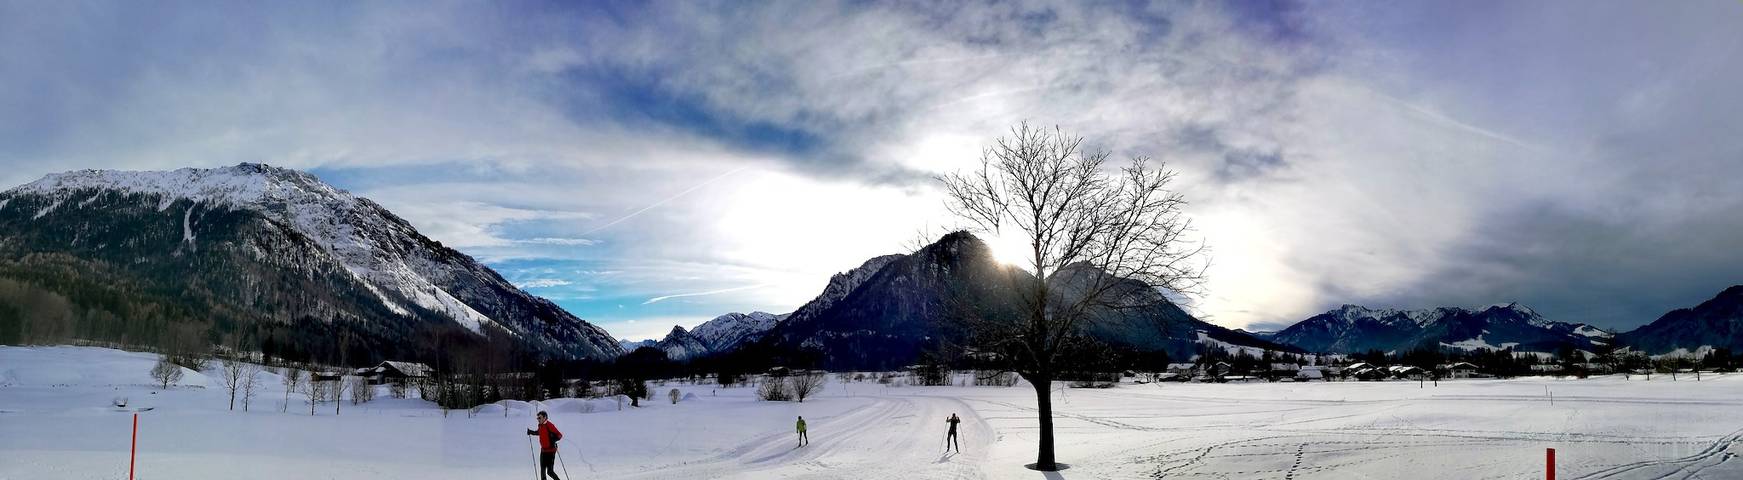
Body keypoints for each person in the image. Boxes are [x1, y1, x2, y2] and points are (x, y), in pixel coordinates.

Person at [526, 411, 563, 480]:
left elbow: (560, 435)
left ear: (544, 417)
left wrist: (553, 439)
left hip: (551, 451)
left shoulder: (550, 425)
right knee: (542, 470)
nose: (538, 419)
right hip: (543, 451)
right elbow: (539, 432)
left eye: (539, 418)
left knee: (550, 472)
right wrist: (531, 432)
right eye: (537, 418)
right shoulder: (540, 425)